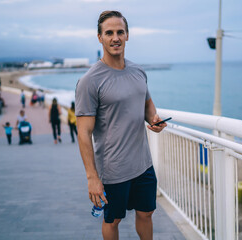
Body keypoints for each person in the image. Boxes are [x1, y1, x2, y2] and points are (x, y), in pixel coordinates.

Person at [75, 10, 167, 240]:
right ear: (100, 37)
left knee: (147, 213)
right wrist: (92, 178)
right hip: (113, 169)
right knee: (112, 220)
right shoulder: (90, 81)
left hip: (143, 163)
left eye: (120, 32)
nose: (115, 37)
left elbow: (147, 104)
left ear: (127, 35)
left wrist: (154, 120)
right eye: (109, 33)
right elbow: (84, 133)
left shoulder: (138, 71)